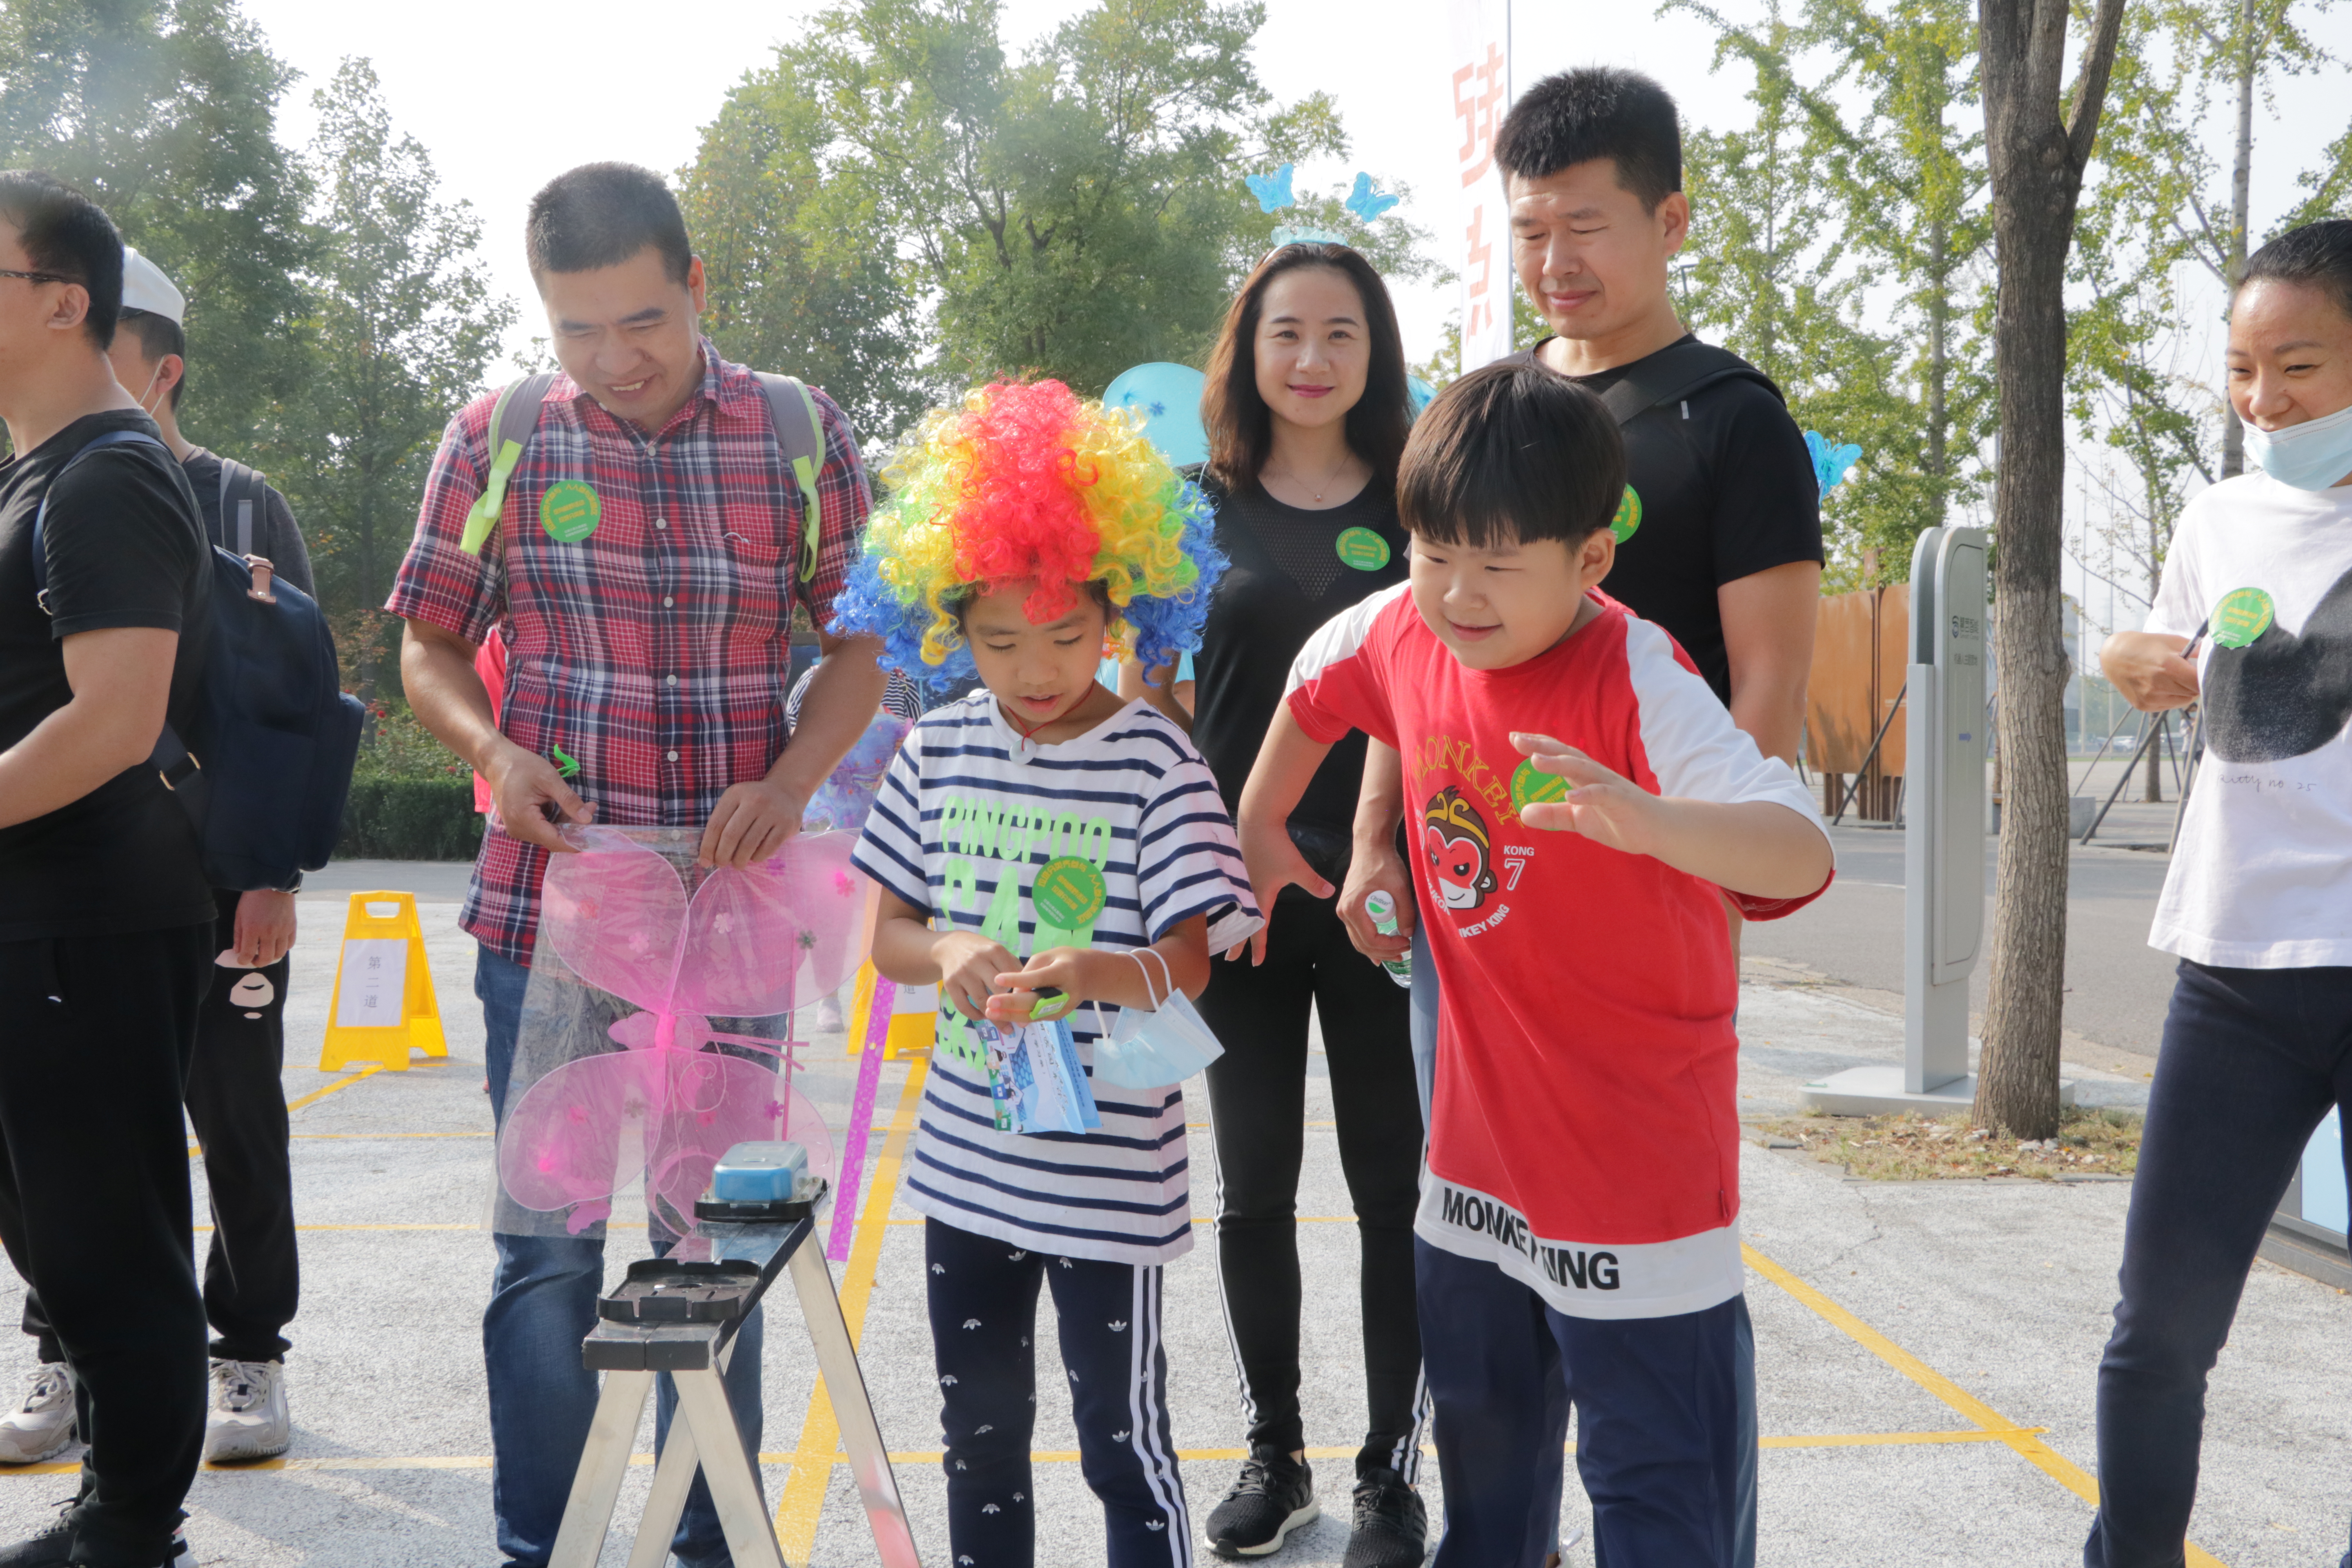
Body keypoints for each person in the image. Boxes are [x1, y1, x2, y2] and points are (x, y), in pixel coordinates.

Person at [1236, 361, 1833, 1565]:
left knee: (1660, 1497)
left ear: (1590, 561)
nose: (1458, 593)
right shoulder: (1404, 622)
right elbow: (1315, 684)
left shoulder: (1638, 674)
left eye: (1500, 566)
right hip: (1473, 1170)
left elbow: (1797, 849)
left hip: (1635, 1180)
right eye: (1433, 552)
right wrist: (1259, 830)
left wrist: (1653, 821)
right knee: (1490, 1485)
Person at [388, 162, 887, 1568]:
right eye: (576, 331)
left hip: (730, 925)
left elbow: (865, 644)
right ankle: (540, 1546)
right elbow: (425, 645)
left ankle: (705, 1544)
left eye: (643, 322)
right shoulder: (499, 435)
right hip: (549, 915)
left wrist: (791, 785)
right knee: (545, 1255)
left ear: (697, 287)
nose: (614, 362)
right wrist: (495, 757)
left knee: (711, 1248)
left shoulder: (797, 429)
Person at [836, 378, 1262, 1568]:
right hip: (967, 1163)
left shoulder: (1155, 763)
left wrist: (1099, 971)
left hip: (1111, 1180)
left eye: (1068, 636)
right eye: (999, 640)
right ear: (948, 625)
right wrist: (951, 951)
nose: (1034, 668)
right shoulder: (936, 746)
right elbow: (890, 939)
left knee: (1119, 1438)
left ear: (1119, 614)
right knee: (977, 1434)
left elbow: (1191, 962)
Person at [1342, 64, 1824, 1112]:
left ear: (1672, 220)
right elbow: (1413, 644)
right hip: (1471, 894)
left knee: (1623, 1201)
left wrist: (1716, 894)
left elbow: (1770, 684)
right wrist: (1375, 840)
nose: (1554, 261)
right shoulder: (1485, 410)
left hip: (1632, 901)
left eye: (1587, 226)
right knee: (1468, 1179)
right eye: (1529, 231)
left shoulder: (1735, 421)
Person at [1123, 243, 1429, 1565]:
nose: (1312, 358)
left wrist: (1378, 854)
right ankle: (1277, 1456)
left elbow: (1435, 686)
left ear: (1377, 353)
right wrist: (1200, 854)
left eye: (1341, 334)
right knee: (1251, 1192)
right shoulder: (1191, 510)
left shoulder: (1429, 501)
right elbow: (1147, 700)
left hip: (1383, 899)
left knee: (1392, 1192)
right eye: (1286, 332)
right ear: (1247, 353)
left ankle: (1389, 1475)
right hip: (1232, 904)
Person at [0, 247, 312, 1471]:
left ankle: (248, 1351)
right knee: (65, 1156)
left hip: (209, 879)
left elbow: (287, 706)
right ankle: (67, 1352)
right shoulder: (31, 485)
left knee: (233, 1120)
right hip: (62, 890)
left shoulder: (237, 501)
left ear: (157, 365)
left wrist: (272, 874)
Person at [2084, 219, 2352, 1567]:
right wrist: (2137, 656)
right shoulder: (2221, 516)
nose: (2263, 403)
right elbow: (2187, 663)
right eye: (2242, 370)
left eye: (2296, 367)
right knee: (2161, 1327)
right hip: (2238, 965)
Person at [0, 170, 211, 1568]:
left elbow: (116, 722)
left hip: (85, 924)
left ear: (65, 301)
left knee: (106, 1241)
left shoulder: (109, 470)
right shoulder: (37, 471)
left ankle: (133, 1528)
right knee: (56, 1243)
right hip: (35, 922)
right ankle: (111, 1511)